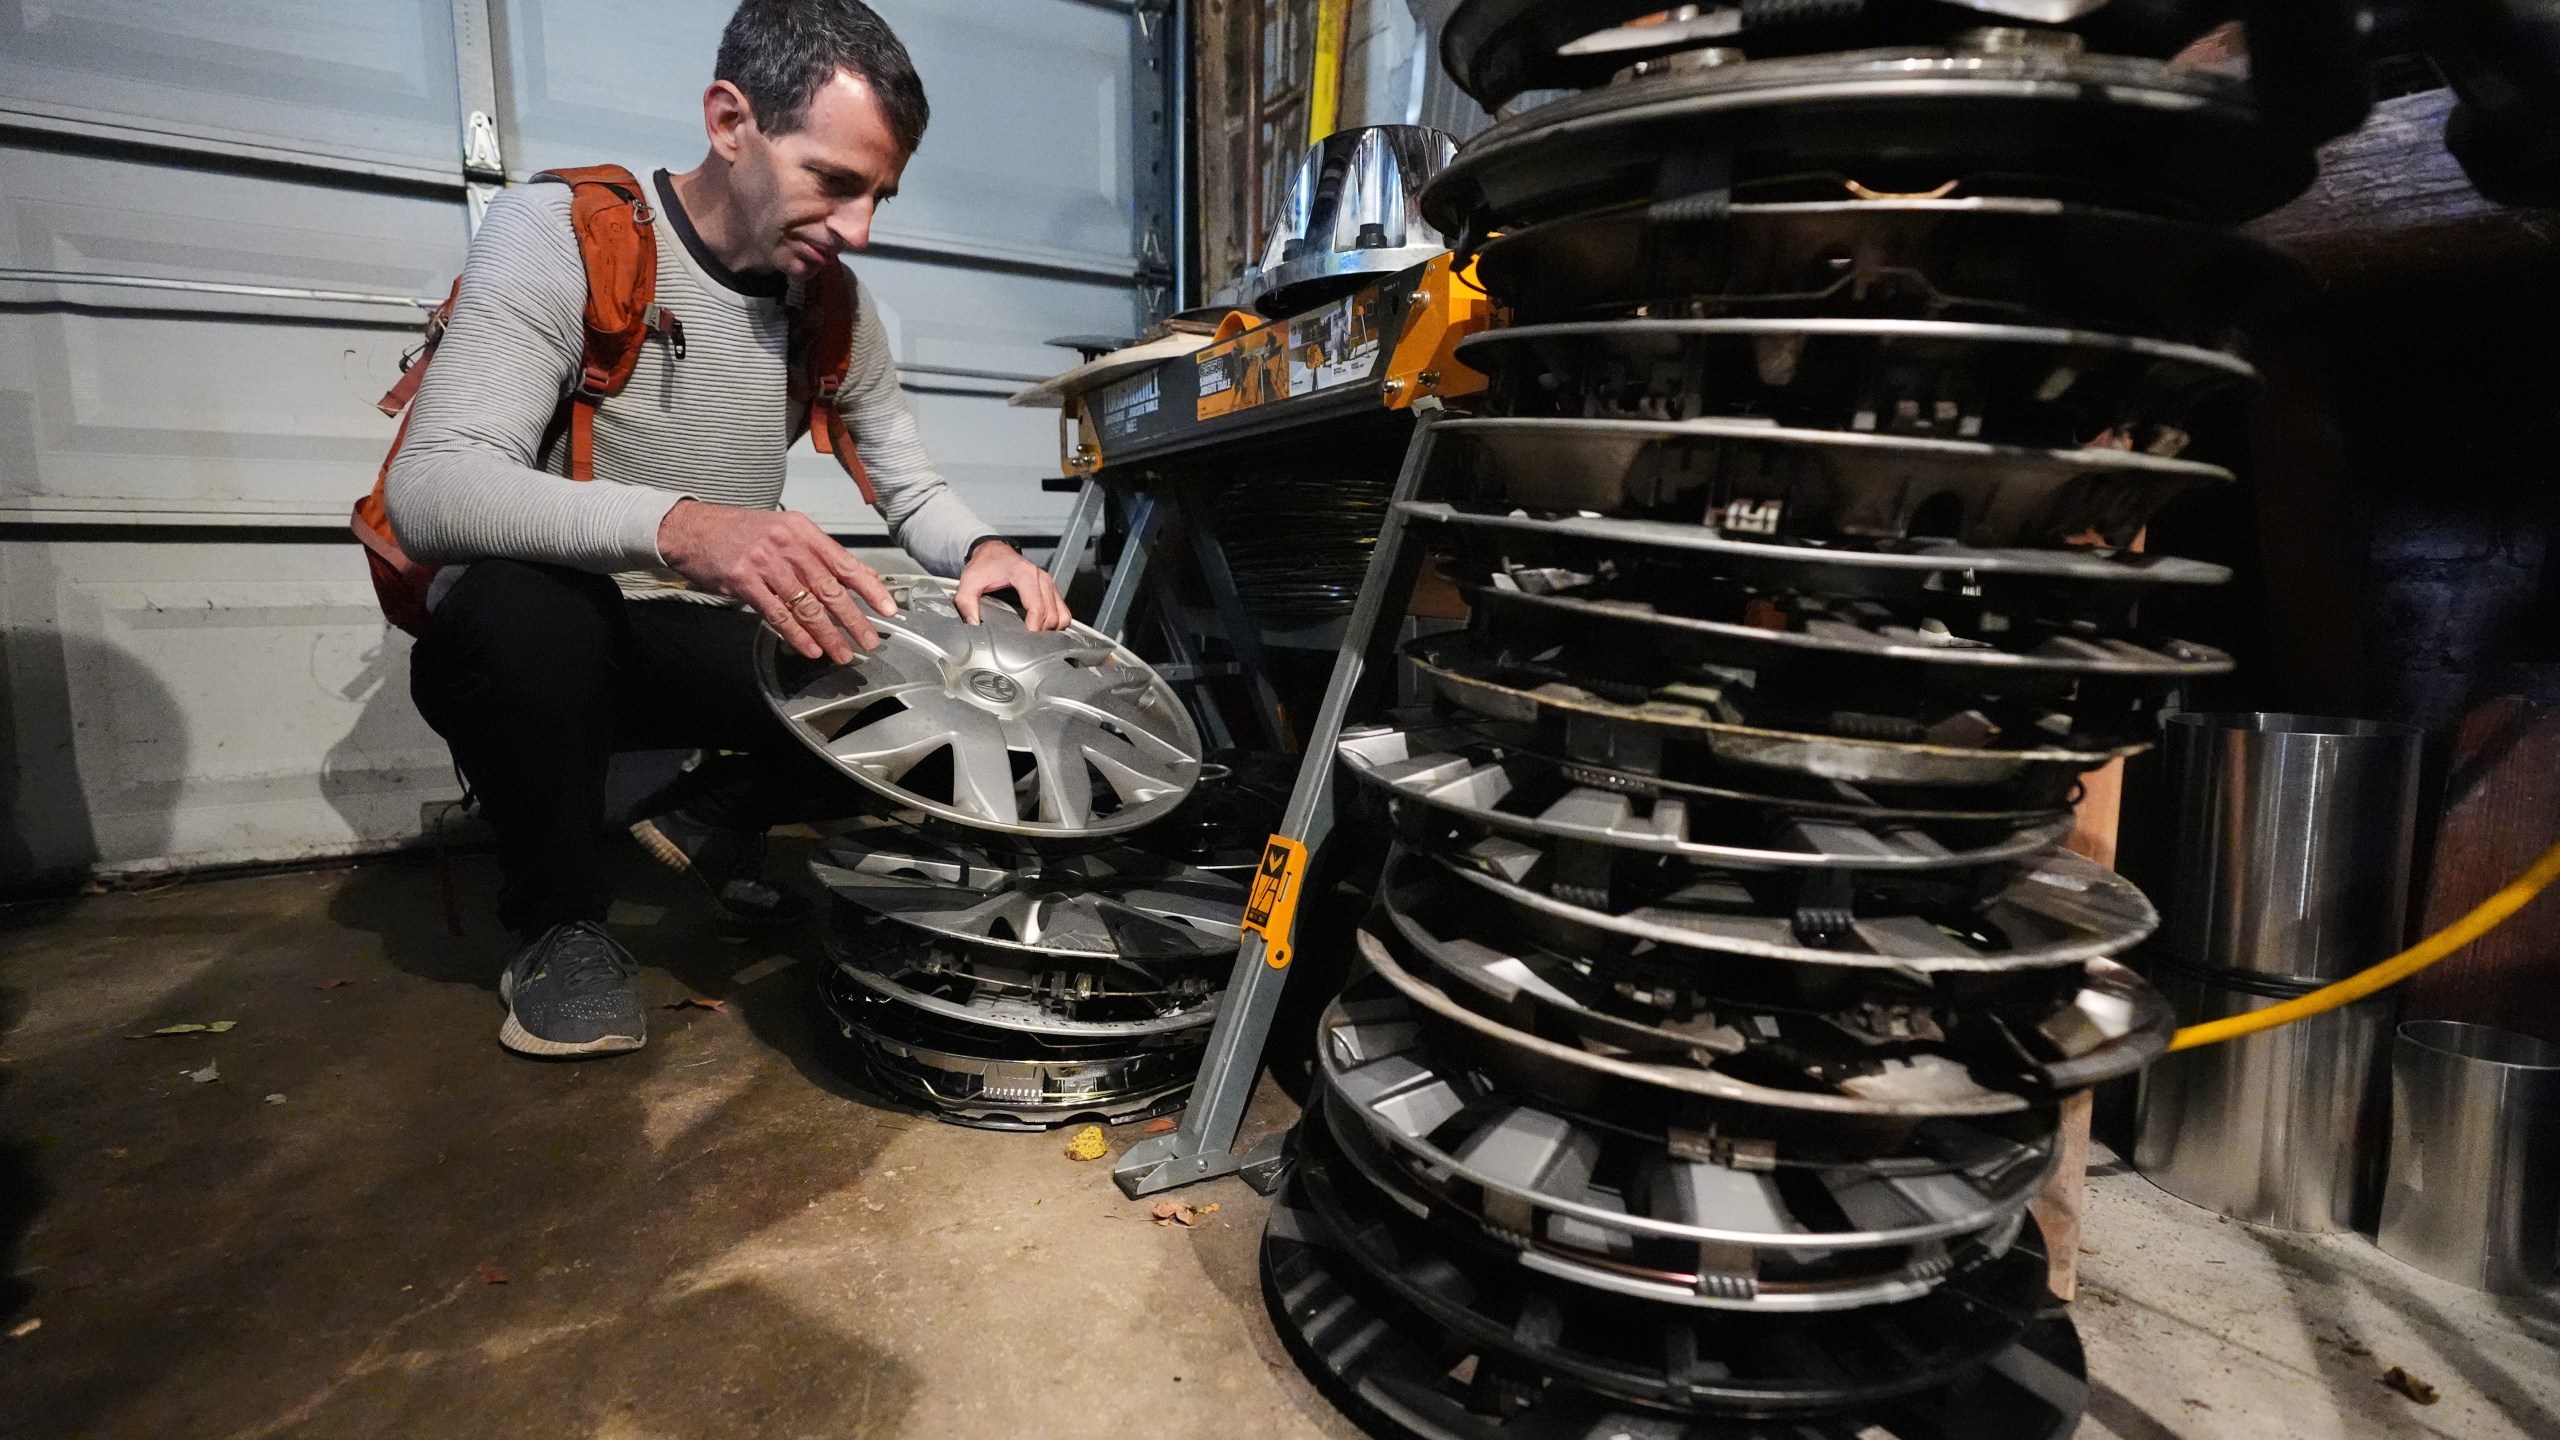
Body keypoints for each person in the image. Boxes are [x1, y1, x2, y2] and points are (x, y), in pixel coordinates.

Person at [385, 0, 1068, 1059]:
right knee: (523, 614)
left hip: (706, 632)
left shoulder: (830, 304)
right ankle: (559, 926)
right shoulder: (564, 235)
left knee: (923, 663)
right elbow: (435, 488)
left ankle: (710, 817)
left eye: (878, 196)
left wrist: (984, 552)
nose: (859, 230)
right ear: (729, 120)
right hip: (569, 629)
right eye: (833, 182)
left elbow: (911, 486)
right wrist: (685, 529)